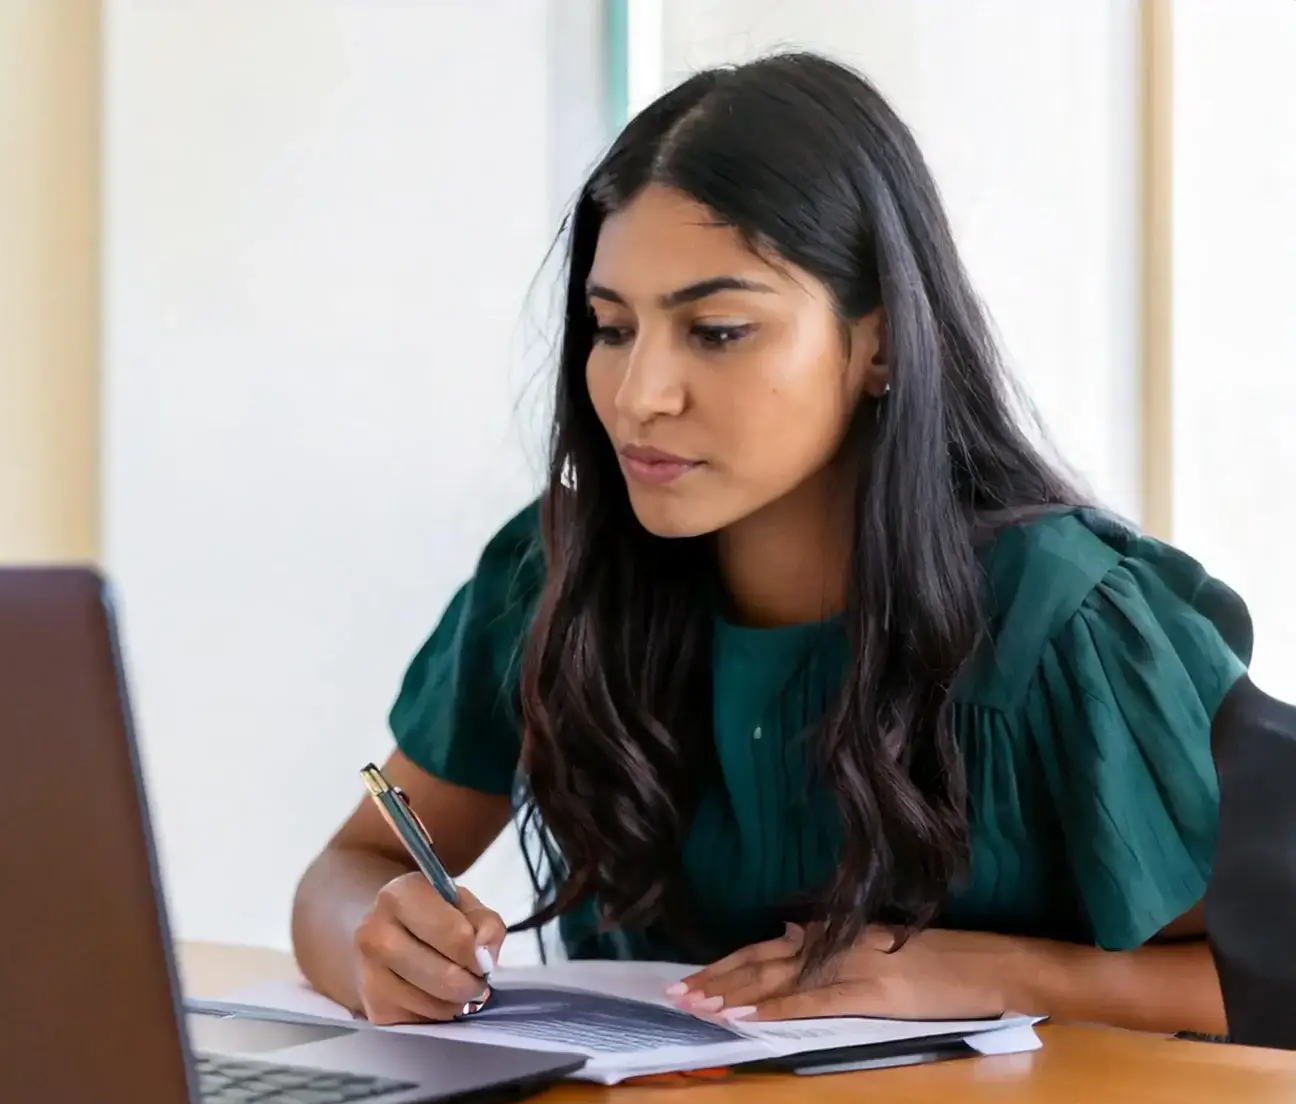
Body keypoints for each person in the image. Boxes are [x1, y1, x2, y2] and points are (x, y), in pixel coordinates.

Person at [290, 51, 1250, 1036]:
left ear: (878, 342)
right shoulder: (550, 578)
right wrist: (380, 935)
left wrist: (991, 973)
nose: (638, 395)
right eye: (612, 328)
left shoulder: (1072, 622)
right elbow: (350, 870)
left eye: (715, 331)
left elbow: (1268, 976)